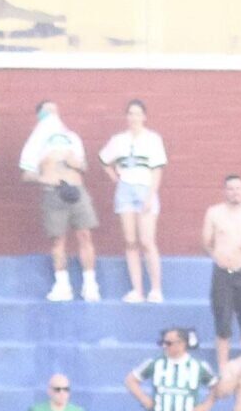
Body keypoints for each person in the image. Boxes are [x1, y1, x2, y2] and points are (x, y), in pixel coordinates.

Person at [18, 101, 97, 302]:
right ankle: (63, 285)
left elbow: (84, 165)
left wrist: (75, 163)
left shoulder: (72, 138)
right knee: (58, 240)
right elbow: (26, 174)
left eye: (54, 109)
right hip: (53, 192)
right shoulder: (36, 141)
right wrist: (45, 178)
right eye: (47, 109)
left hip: (76, 189)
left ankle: (90, 284)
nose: (53, 113)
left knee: (85, 235)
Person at [99, 100, 168, 304]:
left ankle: (155, 289)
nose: (133, 117)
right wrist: (115, 177)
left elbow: (157, 170)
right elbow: (104, 160)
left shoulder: (152, 139)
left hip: (145, 189)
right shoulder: (119, 140)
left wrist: (150, 196)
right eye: (130, 113)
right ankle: (136, 289)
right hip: (125, 191)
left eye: (137, 113)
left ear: (144, 116)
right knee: (130, 242)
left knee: (147, 241)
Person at [200, 175, 241, 361]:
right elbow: (205, 243)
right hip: (222, 273)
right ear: (224, 191)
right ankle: (224, 370)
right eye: (230, 189)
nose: (235, 192)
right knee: (222, 322)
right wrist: (215, 254)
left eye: (238, 188)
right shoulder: (214, 212)